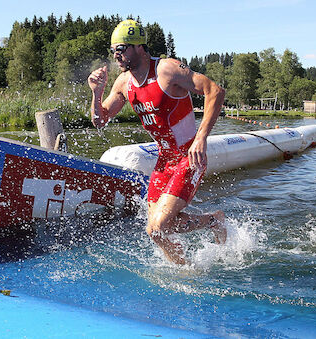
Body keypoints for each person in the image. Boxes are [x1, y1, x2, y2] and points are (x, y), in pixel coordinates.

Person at [87, 19, 226, 264]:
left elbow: (214, 90)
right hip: (164, 161)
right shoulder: (124, 82)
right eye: (113, 51)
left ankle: (189, 270)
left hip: (189, 157)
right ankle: (202, 239)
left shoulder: (166, 69)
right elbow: (100, 120)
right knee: (156, 230)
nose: (116, 56)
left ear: (139, 47)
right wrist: (96, 93)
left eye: (121, 49)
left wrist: (201, 137)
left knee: (157, 227)